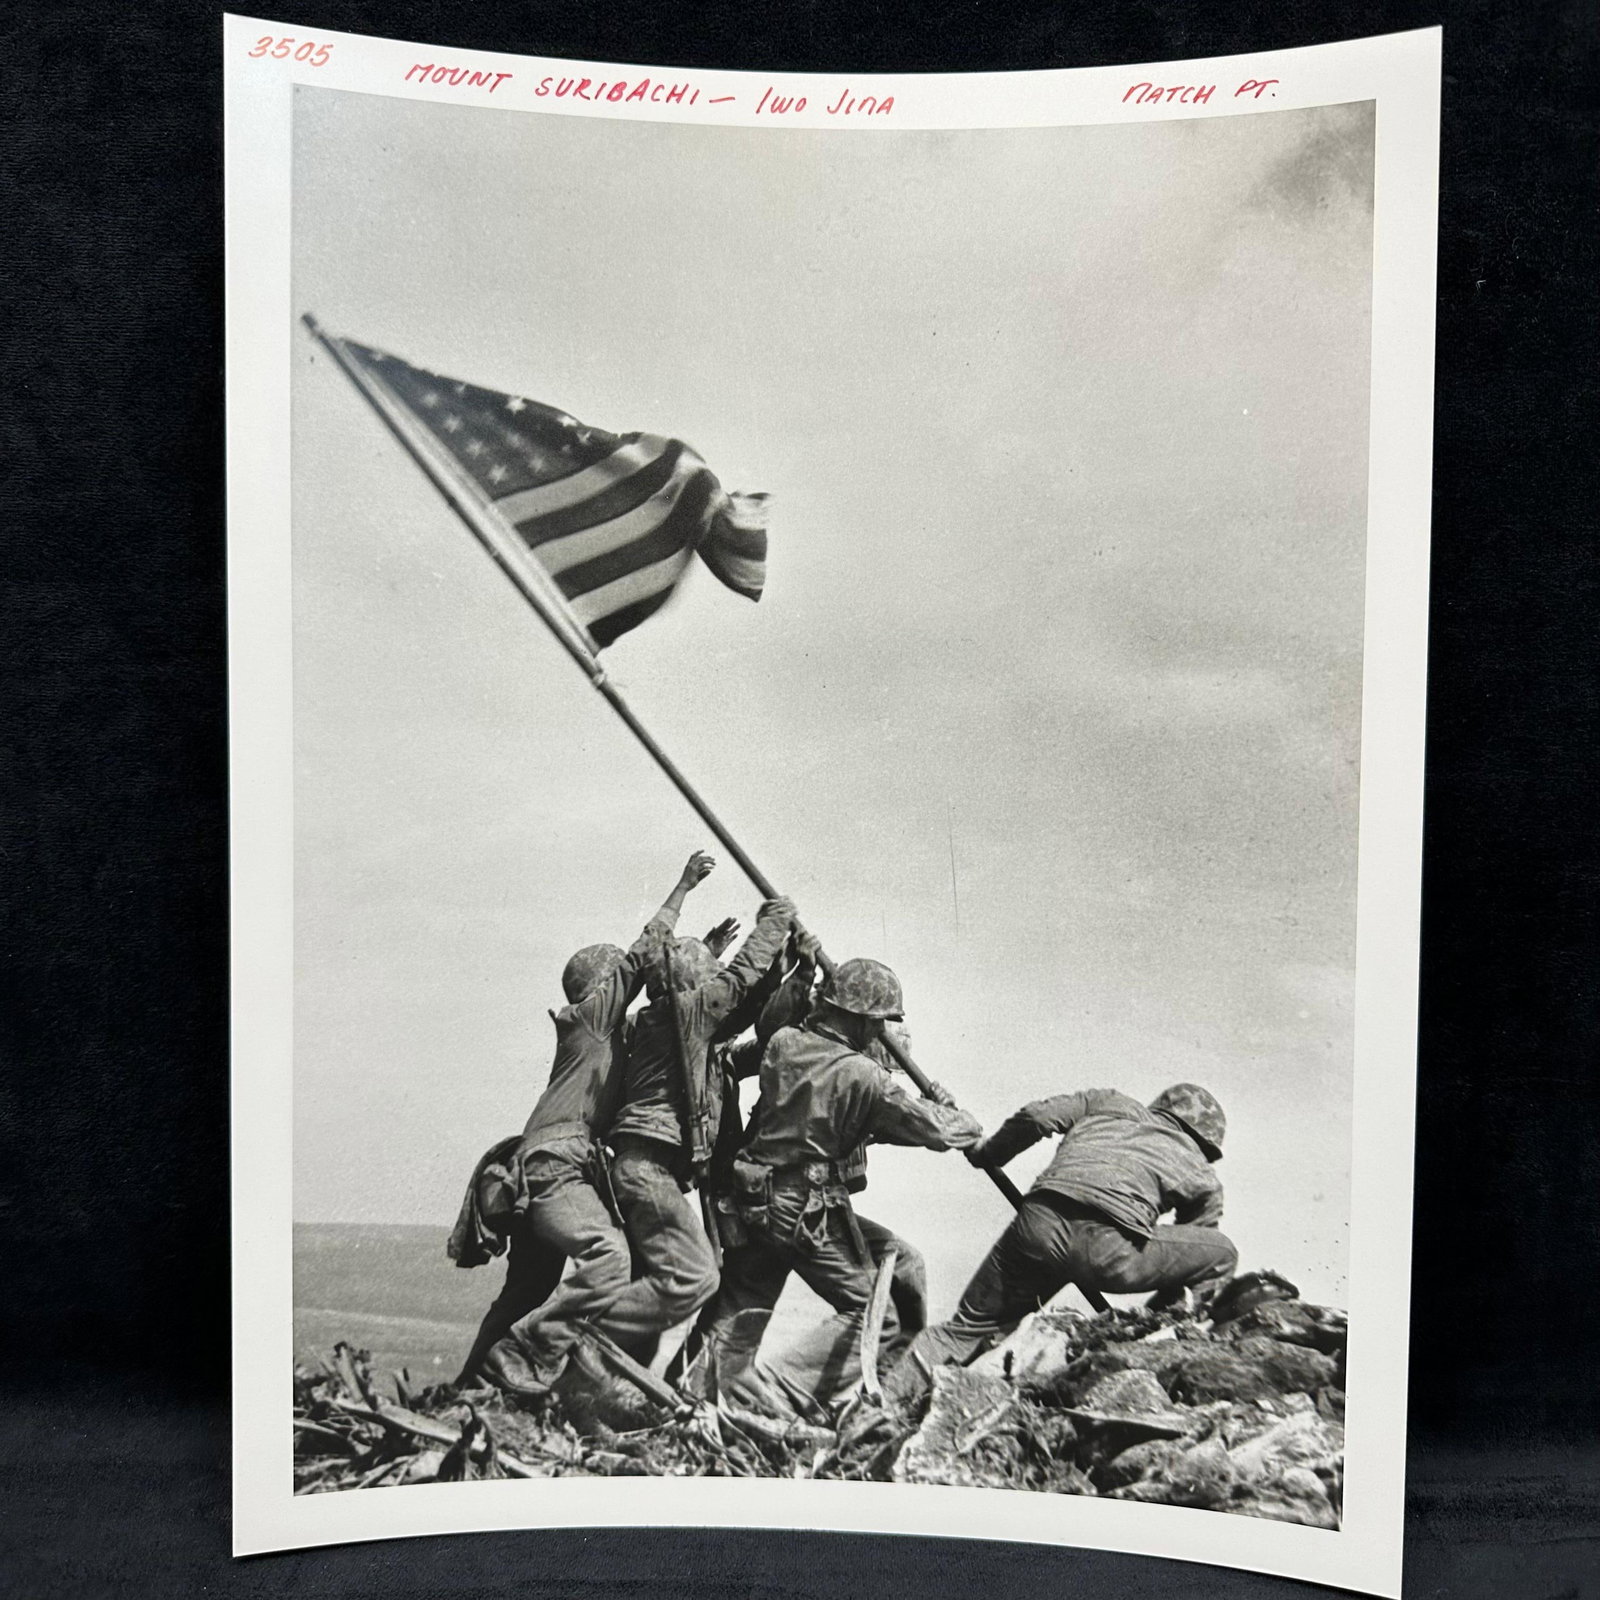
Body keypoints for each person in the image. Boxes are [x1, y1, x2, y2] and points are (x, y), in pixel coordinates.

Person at [489, 890, 800, 1387]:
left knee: (649, 1286)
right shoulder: (661, 1019)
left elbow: (743, 1012)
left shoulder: (675, 1029)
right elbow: (735, 988)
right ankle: (571, 1354)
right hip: (623, 1168)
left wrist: (788, 966)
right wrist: (775, 922)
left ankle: (590, 1384)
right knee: (690, 1277)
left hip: (631, 1171)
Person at [462, 850, 716, 1390]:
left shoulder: (608, 1038)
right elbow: (643, 952)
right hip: (557, 1166)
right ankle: (528, 1360)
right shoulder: (592, 1020)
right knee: (609, 1257)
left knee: (528, 1291)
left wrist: (702, 959)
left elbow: (670, 1007)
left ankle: (469, 1388)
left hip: (545, 1170)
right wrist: (683, 887)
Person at [692, 956, 982, 1409]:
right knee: (876, 1316)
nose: (879, 1032)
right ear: (861, 1019)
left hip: (755, 1200)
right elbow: (943, 1131)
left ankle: (696, 1395)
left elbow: (857, 1120)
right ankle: (771, 1395)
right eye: (877, 1022)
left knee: (743, 1307)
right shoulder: (865, 1076)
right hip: (802, 1208)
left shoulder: (785, 1045)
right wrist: (953, 1112)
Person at [884, 1083, 1238, 1402]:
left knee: (965, 1328)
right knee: (1222, 1253)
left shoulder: (1108, 1102)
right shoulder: (1202, 1174)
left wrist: (989, 1154)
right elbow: (1192, 1255)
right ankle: (1154, 1340)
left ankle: (882, 1402)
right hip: (1109, 1252)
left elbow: (1037, 1117)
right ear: (1204, 1142)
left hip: (1038, 1225)